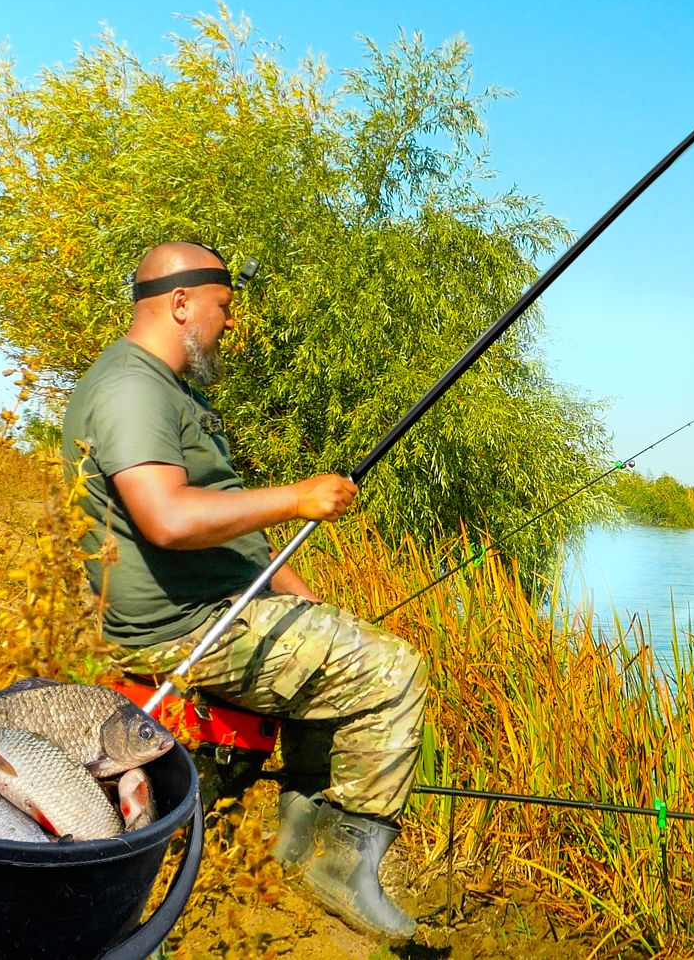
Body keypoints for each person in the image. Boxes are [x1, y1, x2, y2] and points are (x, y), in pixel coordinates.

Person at [61, 241, 424, 940]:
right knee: (390, 669)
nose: (230, 322)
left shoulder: (171, 390)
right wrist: (297, 497)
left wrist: (297, 595)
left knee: (336, 647)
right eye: (223, 307)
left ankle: (294, 843)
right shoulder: (132, 388)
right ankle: (345, 866)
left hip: (218, 605)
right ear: (180, 302)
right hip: (181, 627)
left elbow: (226, 524)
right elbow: (168, 519)